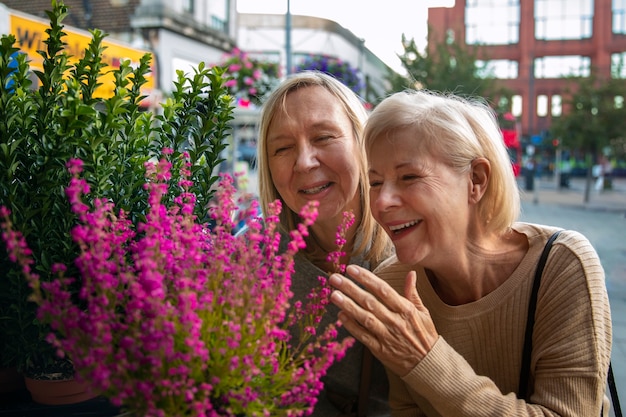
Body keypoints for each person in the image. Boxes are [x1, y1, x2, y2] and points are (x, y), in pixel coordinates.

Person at [328, 89, 613, 416]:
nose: (381, 202)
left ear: (476, 180)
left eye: (409, 177)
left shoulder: (562, 265)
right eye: (375, 182)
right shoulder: (393, 284)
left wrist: (427, 360)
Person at [256, 71, 394, 416]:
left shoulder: (414, 249)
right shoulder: (253, 262)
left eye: (323, 137)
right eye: (283, 148)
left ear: (362, 142)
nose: (304, 162)